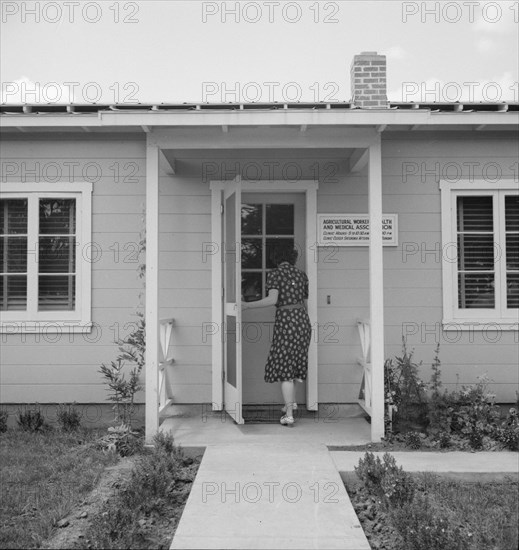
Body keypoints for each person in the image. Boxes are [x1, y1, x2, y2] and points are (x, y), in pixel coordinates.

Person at [242, 245, 312, 427]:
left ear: (276, 259)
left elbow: (272, 300)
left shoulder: (275, 274)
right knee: (294, 366)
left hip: (287, 322)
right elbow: (304, 303)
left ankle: (289, 414)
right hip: (303, 322)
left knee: (285, 371)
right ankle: (290, 403)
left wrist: (247, 305)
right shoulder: (302, 275)